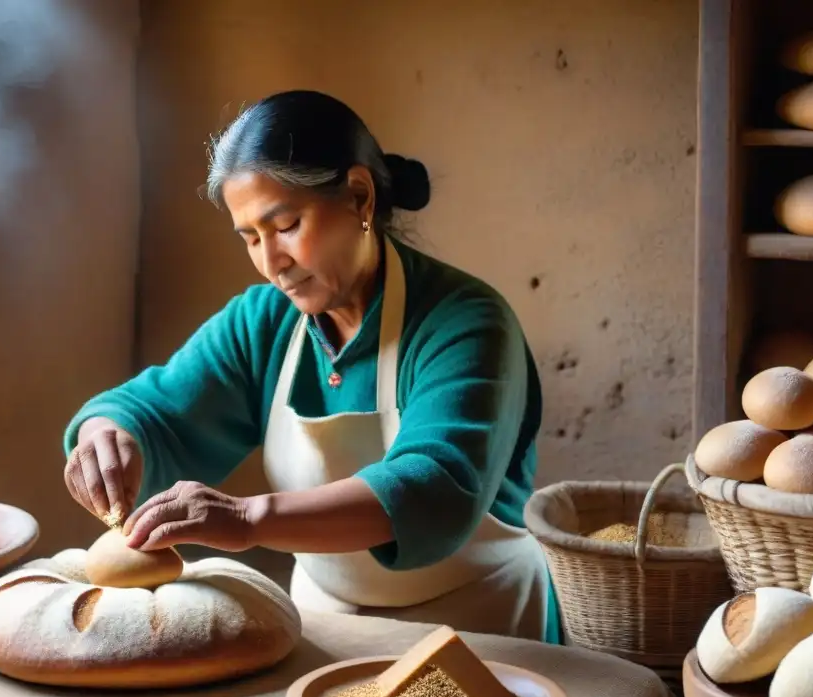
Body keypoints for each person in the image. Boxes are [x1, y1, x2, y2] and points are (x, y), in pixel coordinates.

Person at [62, 90, 561, 644]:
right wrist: (107, 434)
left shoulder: (465, 323)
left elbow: (435, 489)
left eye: (286, 226)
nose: (271, 262)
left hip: (483, 629)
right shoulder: (263, 323)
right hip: (325, 632)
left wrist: (249, 519)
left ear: (359, 197)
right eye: (250, 237)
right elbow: (156, 411)